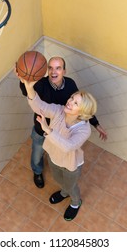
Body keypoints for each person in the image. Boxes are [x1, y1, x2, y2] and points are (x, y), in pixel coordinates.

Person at [19, 57, 107, 188]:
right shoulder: (41, 83)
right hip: (40, 128)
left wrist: (96, 124)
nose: (53, 71)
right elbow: (32, 98)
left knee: (56, 151)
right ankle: (37, 172)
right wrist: (24, 81)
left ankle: (57, 169)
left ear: (64, 71)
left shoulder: (70, 85)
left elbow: (83, 107)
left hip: (58, 132)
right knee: (37, 154)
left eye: (58, 68)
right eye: (50, 68)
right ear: (46, 69)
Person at [21, 78, 97, 221]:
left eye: (75, 103)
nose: (69, 101)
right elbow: (40, 106)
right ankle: (64, 192)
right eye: (71, 98)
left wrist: (48, 130)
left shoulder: (84, 129)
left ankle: (75, 202)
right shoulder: (60, 110)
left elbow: (68, 146)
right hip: (54, 157)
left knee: (71, 186)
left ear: (83, 111)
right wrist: (29, 87)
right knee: (57, 179)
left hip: (70, 165)